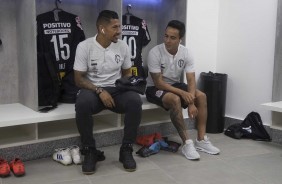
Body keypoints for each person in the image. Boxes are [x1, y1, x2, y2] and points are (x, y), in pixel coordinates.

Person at [73, 10, 142, 174]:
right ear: (102, 28)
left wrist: (124, 85)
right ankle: (90, 151)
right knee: (82, 104)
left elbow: (127, 73)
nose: (119, 31)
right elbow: (78, 79)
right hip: (93, 90)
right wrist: (99, 90)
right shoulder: (85, 46)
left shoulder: (122, 45)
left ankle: (126, 149)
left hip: (116, 89)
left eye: (120, 26)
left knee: (135, 101)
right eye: (115, 27)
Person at [145, 20, 220, 160]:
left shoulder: (186, 53)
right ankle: (187, 143)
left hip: (175, 85)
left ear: (180, 39)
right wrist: (182, 93)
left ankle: (201, 140)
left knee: (201, 96)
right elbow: (158, 82)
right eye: (166, 36)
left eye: (172, 38)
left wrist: (191, 103)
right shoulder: (155, 52)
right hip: (154, 88)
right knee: (175, 99)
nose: (168, 40)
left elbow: (191, 80)